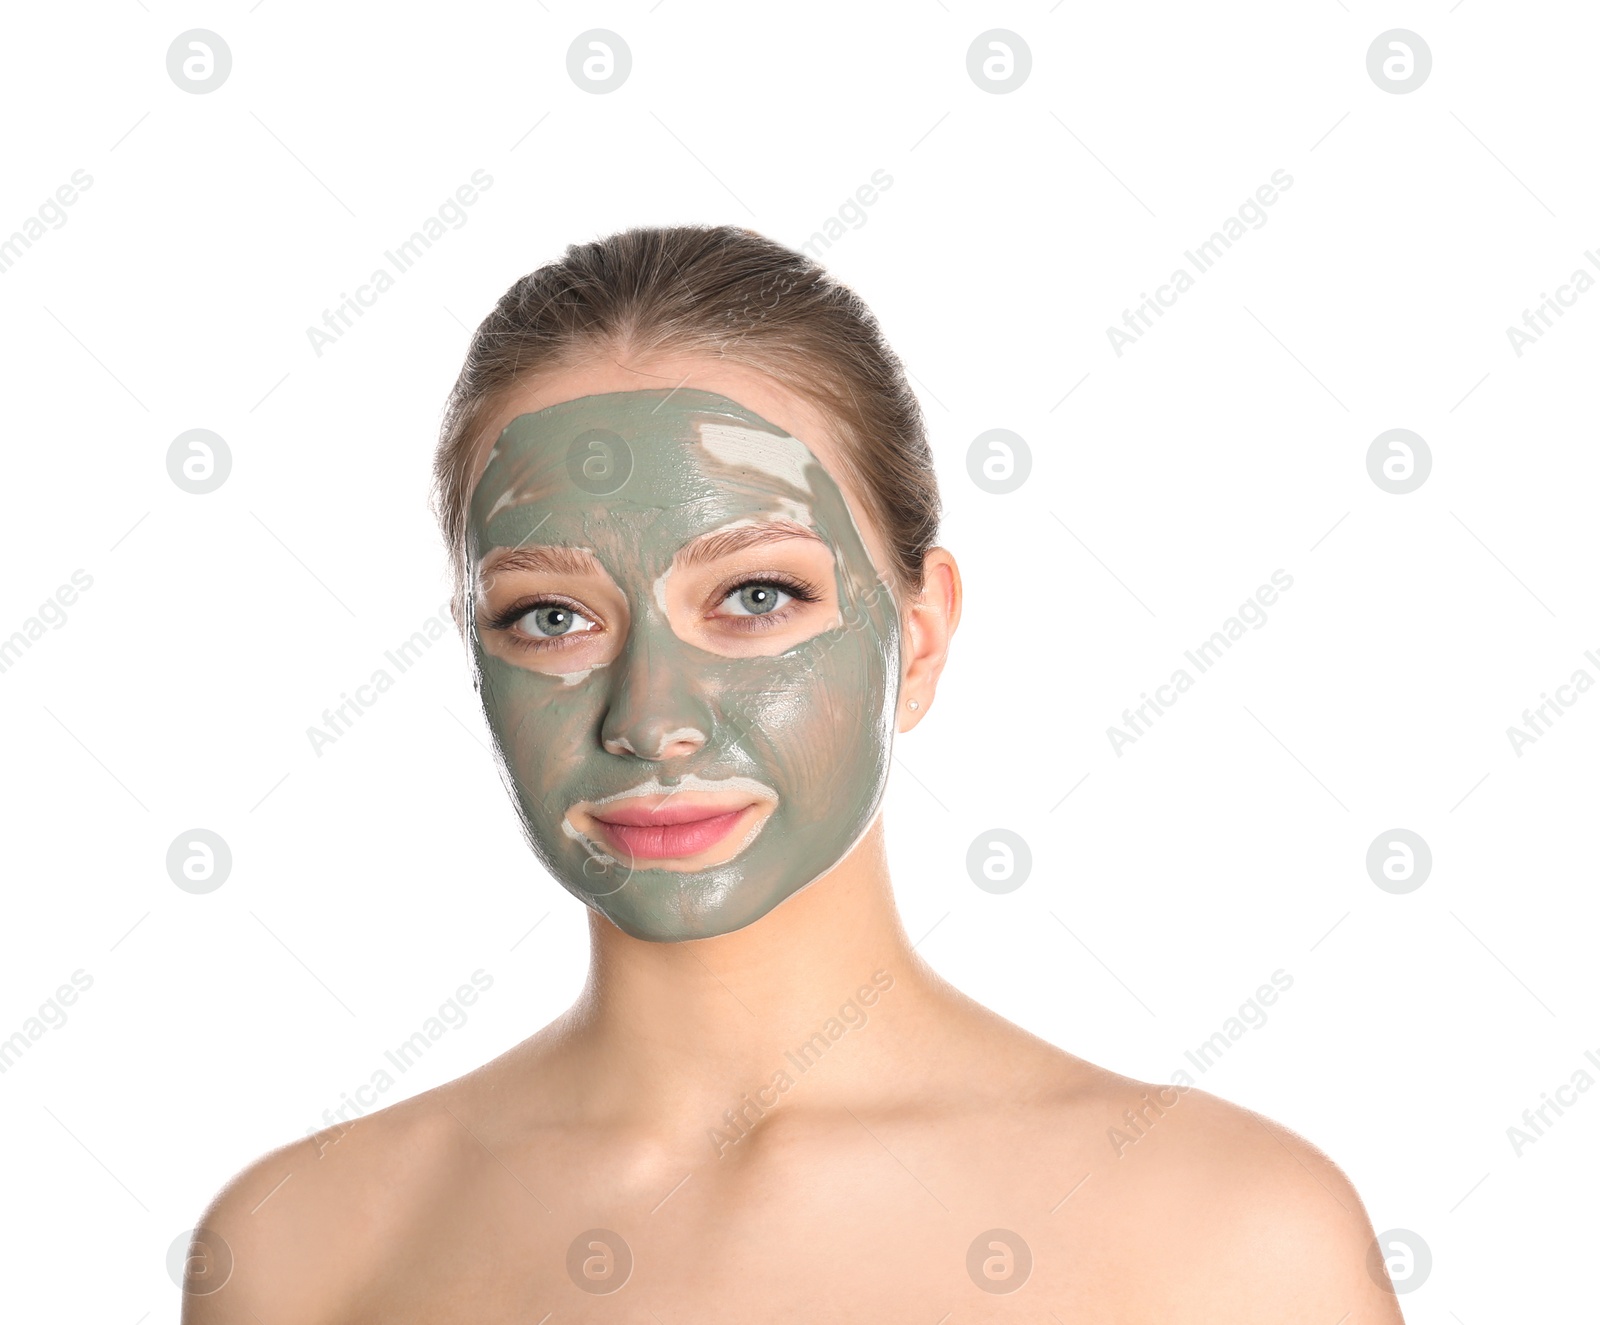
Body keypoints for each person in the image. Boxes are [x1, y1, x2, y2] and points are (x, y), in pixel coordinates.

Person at [186, 225, 1404, 1322]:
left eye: (756, 596)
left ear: (918, 636)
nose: (651, 718)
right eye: (552, 615)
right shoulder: (302, 1250)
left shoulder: (1232, 1243)